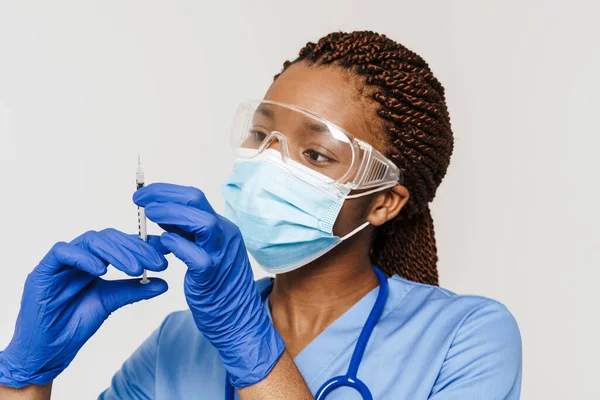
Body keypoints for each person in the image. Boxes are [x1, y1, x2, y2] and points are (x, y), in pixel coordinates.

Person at [0, 31, 522, 400]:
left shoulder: (466, 337)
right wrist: (24, 379)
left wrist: (250, 347)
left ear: (385, 200)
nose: (271, 165)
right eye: (261, 136)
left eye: (316, 154)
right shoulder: (178, 345)